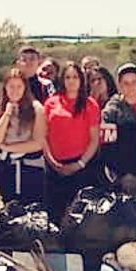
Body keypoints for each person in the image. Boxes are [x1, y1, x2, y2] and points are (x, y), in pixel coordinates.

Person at [43, 62, 101, 219]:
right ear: (62, 80)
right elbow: (44, 136)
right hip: (55, 167)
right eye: (67, 77)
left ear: (81, 80)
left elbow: (94, 139)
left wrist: (79, 164)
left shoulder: (90, 104)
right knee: (55, 214)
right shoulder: (50, 103)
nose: (71, 81)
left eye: (75, 77)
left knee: (79, 216)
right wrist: (52, 162)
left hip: (82, 167)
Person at [0, 68, 46, 204]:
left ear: (25, 88)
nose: (15, 90)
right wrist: (7, 114)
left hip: (30, 170)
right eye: (11, 86)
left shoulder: (36, 109)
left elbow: (38, 143)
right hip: (5, 170)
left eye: (19, 86)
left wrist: (8, 147)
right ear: (5, 88)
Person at [99, 63, 136, 197]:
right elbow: (107, 148)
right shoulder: (111, 112)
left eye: (134, 82)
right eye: (126, 83)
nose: (130, 87)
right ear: (119, 85)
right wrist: (123, 174)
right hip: (124, 177)